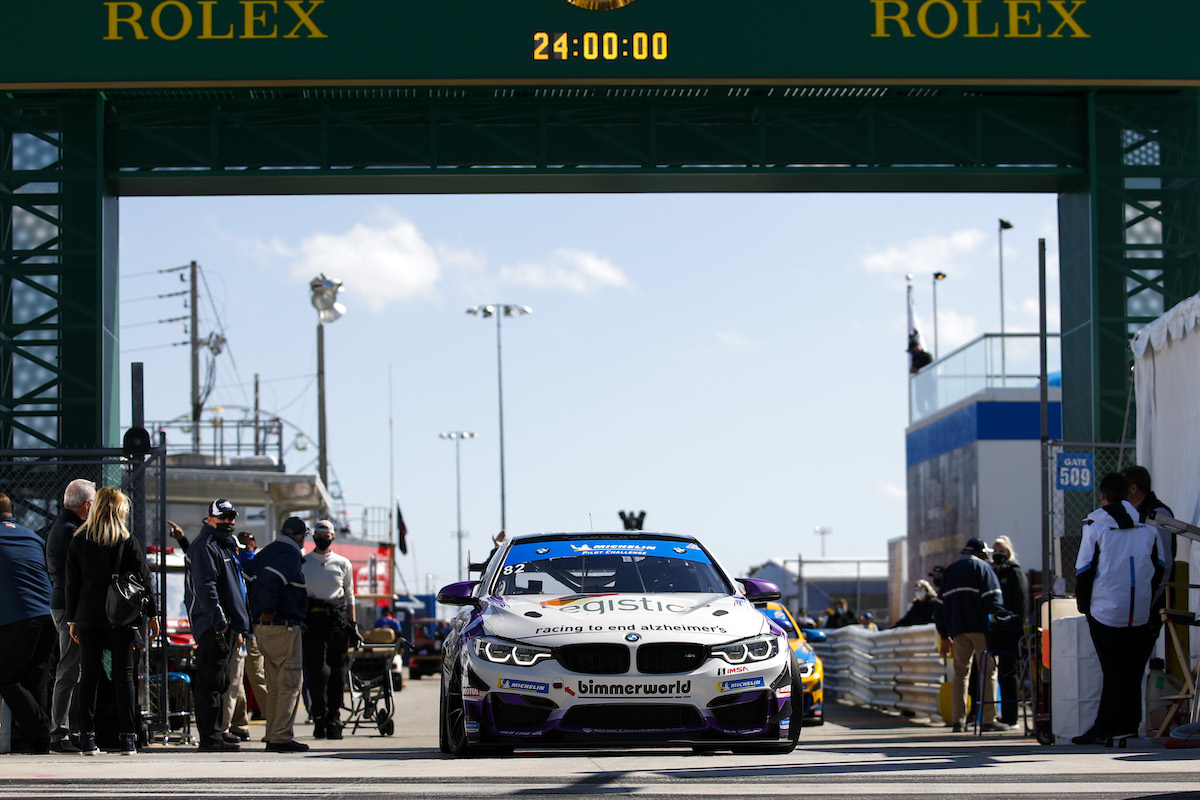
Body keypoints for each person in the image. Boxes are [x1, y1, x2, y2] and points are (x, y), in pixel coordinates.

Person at [1072, 472, 1165, 745]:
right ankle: (1117, 725)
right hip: (1138, 611)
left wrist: (1084, 606)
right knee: (1131, 671)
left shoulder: (1094, 527)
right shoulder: (1148, 530)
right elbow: (1159, 568)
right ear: (1127, 494)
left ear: (1103, 495)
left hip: (1105, 611)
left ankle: (1118, 726)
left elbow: (1084, 570)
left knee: (1113, 671)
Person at [65, 486, 159, 756]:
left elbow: (72, 584)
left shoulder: (79, 539)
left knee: (89, 676)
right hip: (121, 616)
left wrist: (73, 618)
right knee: (124, 676)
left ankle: (87, 738)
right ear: (120, 510)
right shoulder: (127, 540)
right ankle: (128, 738)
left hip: (89, 616)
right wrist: (153, 615)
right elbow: (144, 579)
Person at [183, 498, 250, 752]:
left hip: (229, 624)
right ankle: (210, 737)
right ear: (209, 519)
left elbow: (235, 588)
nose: (229, 521)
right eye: (223, 517)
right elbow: (206, 588)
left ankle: (217, 732)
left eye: (232, 516)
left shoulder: (225, 546)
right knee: (210, 681)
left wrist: (239, 626)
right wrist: (220, 623)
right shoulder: (205, 546)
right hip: (215, 626)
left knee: (222, 681)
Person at [933, 537, 1010, 733]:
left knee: (960, 674)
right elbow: (993, 600)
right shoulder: (983, 569)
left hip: (958, 631)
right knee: (988, 671)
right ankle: (987, 718)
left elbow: (940, 605)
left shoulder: (951, 570)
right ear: (982, 553)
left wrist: (943, 633)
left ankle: (959, 720)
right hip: (982, 630)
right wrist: (1003, 622)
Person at [0, 491, 56, 754]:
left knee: (6, 678)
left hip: (19, 618)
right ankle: (37, 742)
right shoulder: (32, 536)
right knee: (36, 679)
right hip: (48, 617)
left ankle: (42, 728)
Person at [248, 517, 310, 752]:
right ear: (300, 536)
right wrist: (268, 610)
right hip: (282, 626)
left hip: (263, 630)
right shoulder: (289, 553)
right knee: (289, 682)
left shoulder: (266, 552)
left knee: (275, 683)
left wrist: (257, 615)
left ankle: (272, 733)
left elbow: (251, 579)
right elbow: (269, 579)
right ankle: (281, 737)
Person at [44, 477, 95, 753]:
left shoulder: (64, 527)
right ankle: (60, 732)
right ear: (87, 505)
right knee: (69, 668)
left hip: (64, 604)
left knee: (71, 667)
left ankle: (65, 729)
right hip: (69, 607)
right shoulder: (71, 531)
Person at [302, 519, 356, 740]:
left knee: (337, 673)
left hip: (337, 622)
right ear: (313, 536)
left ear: (333, 537)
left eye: (327, 534)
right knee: (317, 672)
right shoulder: (304, 562)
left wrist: (353, 624)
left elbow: (350, 594)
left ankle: (334, 717)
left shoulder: (343, 563)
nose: (322, 538)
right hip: (313, 622)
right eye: (319, 534)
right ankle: (319, 717)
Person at [988, 536, 1030, 727]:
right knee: (997, 672)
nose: (998, 554)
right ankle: (999, 713)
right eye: (995, 550)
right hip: (995, 630)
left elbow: (1021, 602)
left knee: (1009, 672)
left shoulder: (1015, 573)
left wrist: (1017, 623)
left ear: (1009, 552)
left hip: (1011, 630)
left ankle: (1011, 716)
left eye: (1002, 551)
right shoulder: (992, 573)